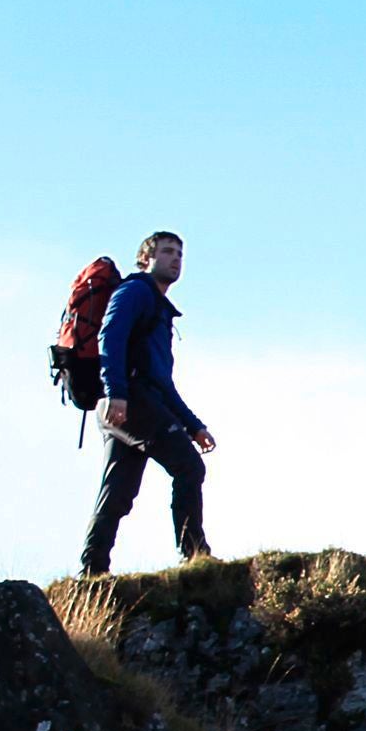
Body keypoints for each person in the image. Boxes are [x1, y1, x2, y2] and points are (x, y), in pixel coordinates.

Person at [77, 230, 217, 576]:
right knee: (189, 467)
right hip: (128, 401)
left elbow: (163, 383)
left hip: (127, 403)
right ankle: (195, 555)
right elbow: (110, 336)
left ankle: (92, 571)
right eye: (167, 252)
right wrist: (116, 392)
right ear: (146, 259)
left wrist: (193, 425)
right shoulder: (136, 291)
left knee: (117, 492)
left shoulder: (157, 307)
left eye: (179, 254)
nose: (175, 259)